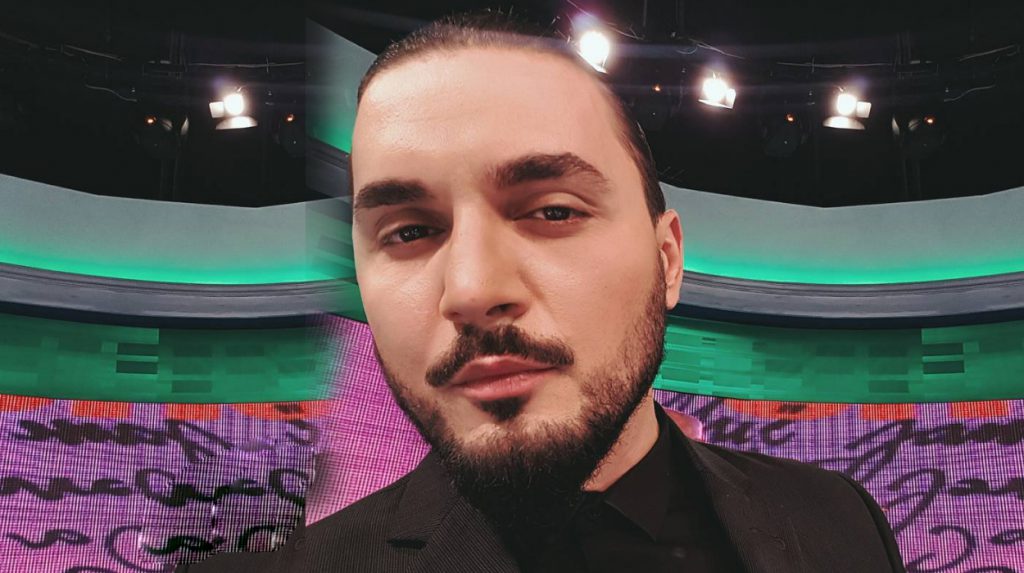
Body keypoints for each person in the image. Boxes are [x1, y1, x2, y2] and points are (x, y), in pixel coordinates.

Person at [179, 11, 906, 573]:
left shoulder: (840, 522)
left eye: (553, 212)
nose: (471, 289)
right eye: (409, 231)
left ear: (668, 260)